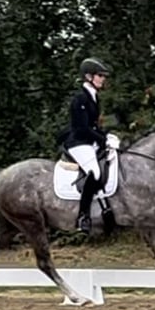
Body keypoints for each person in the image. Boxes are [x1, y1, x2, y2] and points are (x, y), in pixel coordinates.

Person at [61, 57, 118, 234]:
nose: (103, 79)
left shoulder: (93, 97)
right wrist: (102, 140)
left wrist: (107, 136)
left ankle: (104, 206)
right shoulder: (80, 99)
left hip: (89, 141)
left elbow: (94, 126)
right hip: (78, 142)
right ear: (89, 77)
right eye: (100, 75)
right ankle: (83, 216)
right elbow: (82, 128)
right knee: (95, 172)